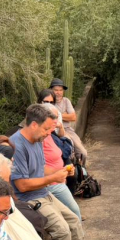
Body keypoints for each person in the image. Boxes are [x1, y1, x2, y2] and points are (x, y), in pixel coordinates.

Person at [10, 103, 108, 240]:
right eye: (47, 129)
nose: (49, 133)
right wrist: (52, 178)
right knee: (62, 230)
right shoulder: (17, 145)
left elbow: (40, 169)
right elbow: (22, 185)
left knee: (73, 219)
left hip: (43, 193)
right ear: (33, 125)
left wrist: (60, 171)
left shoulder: (37, 139)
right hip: (28, 200)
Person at [37, 93, 83, 221]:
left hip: (58, 179)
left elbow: (63, 141)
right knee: (73, 215)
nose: (55, 121)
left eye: (52, 102)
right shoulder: (39, 137)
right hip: (52, 183)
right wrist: (59, 172)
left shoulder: (50, 133)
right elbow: (37, 166)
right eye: (46, 101)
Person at [49, 78, 87, 163]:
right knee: (68, 152)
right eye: (56, 90)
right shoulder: (49, 102)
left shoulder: (66, 101)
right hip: (54, 131)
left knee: (83, 153)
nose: (58, 93)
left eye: (61, 90)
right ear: (51, 90)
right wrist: (65, 114)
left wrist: (58, 115)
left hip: (68, 129)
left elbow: (73, 117)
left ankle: (82, 172)